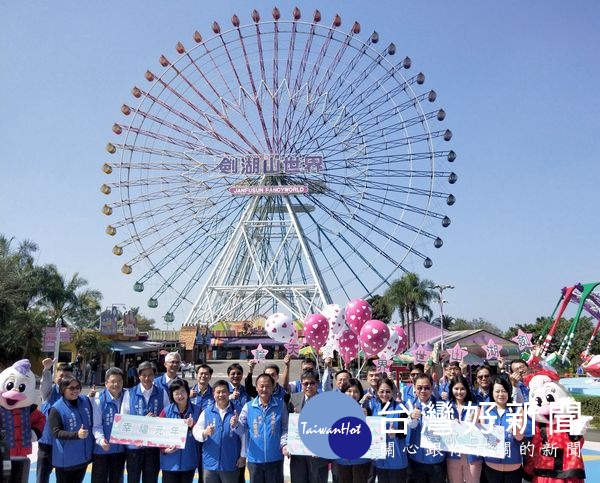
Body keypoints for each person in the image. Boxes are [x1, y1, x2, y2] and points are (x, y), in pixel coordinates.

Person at [121, 361, 169, 483]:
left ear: (155, 376)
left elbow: (168, 417)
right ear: (139, 376)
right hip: (134, 447)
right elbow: (123, 418)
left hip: (153, 446)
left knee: (151, 479)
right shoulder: (129, 393)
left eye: (150, 375)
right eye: (144, 375)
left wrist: (156, 420)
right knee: (133, 478)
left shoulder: (162, 392)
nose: (147, 378)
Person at [235, 373, 289, 483]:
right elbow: (241, 430)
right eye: (261, 386)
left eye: (268, 386)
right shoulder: (249, 406)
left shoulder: (280, 405)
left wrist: (284, 444)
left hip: (275, 458)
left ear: (273, 387)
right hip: (255, 460)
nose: (264, 389)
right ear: (256, 387)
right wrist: (235, 423)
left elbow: (285, 428)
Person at [193, 379, 245, 483]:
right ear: (213, 394)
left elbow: (244, 435)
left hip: (230, 462)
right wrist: (204, 433)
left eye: (224, 391)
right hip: (210, 463)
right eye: (218, 392)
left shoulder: (238, 410)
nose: (221, 394)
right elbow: (196, 431)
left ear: (229, 393)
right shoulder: (207, 411)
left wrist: (243, 456)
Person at [49, 375, 94, 483]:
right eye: (71, 388)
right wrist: (76, 435)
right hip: (67, 460)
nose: (75, 391)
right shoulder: (56, 408)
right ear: (63, 389)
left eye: (77, 387)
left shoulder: (85, 400)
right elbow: (56, 432)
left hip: (83, 458)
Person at [289, 370, 331, 483]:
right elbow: (287, 425)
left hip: (318, 457)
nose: (308, 386)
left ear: (317, 383)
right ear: (301, 384)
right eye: (305, 383)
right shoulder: (294, 399)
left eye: (312, 383)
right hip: (298, 456)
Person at [480, 376, 524, 483]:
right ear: (492, 392)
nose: (501, 394)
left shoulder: (517, 409)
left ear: (509, 392)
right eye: (497, 391)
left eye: (504, 391)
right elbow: (481, 433)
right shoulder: (485, 408)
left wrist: (515, 428)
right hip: (491, 464)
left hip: (513, 463)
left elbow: (519, 438)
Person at [37, 359, 74, 483]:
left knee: (63, 478)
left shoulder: (74, 395)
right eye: (61, 376)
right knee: (42, 477)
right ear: (55, 377)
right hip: (46, 443)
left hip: (64, 444)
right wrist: (47, 370)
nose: (63, 378)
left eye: (67, 376)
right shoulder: (48, 392)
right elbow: (45, 383)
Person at [159, 379, 201, 483]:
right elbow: (157, 434)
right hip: (170, 462)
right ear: (172, 395)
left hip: (189, 460)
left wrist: (193, 425)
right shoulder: (166, 411)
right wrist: (164, 449)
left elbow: (202, 433)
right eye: (176, 393)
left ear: (188, 392)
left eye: (182, 392)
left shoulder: (198, 410)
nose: (180, 396)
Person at [407, 373, 445, 481]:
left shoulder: (442, 406)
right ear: (414, 387)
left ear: (432, 388)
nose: (423, 391)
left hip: (436, 459)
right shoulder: (408, 405)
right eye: (419, 388)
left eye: (427, 388)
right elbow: (407, 427)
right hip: (415, 459)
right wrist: (412, 417)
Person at [332, 379, 372, 483]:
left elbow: (372, 434)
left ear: (360, 394)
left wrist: (366, 419)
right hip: (342, 459)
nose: (352, 394)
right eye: (349, 391)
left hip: (361, 459)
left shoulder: (367, 410)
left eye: (356, 392)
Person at [92, 367, 126, 483]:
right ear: (106, 383)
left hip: (120, 450)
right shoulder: (99, 400)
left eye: (119, 381)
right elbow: (96, 426)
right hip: (102, 450)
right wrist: (101, 440)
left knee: (117, 479)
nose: (116, 384)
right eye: (112, 381)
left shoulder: (127, 397)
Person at [446, 375, 482, 483]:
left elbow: (482, 431)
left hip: (472, 456)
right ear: (451, 389)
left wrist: (474, 423)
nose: (459, 392)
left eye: (462, 389)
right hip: (453, 455)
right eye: (456, 388)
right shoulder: (445, 407)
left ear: (467, 390)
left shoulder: (475, 407)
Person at [372, 378, 409, 483]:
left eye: (388, 391)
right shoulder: (374, 408)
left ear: (392, 392)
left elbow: (404, 433)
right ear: (377, 392)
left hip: (397, 460)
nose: (385, 394)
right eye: (381, 391)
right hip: (379, 461)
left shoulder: (401, 409)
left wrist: (395, 432)